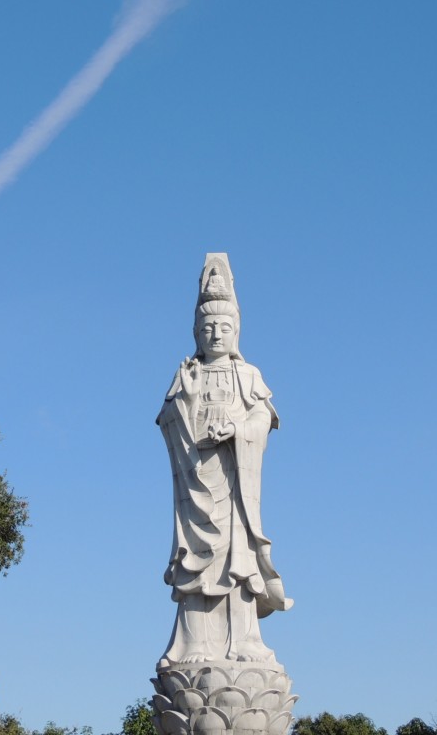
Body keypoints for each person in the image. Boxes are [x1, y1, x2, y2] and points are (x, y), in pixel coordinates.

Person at [157, 255, 292, 667]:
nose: (216, 334)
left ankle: (244, 641)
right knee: (199, 561)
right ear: (197, 333)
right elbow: (168, 420)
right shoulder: (187, 374)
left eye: (224, 328)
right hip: (199, 483)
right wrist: (190, 397)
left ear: (236, 331)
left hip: (235, 482)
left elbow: (264, 416)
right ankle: (195, 643)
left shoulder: (247, 374)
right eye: (208, 328)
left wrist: (237, 430)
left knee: (238, 561)